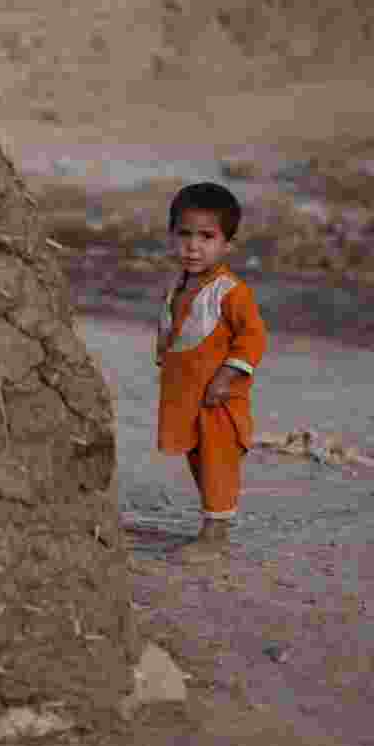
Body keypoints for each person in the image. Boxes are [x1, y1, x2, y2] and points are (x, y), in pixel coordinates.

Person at [155, 182, 267, 561]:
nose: (193, 246)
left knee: (218, 461)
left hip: (217, 398)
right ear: (171, 236)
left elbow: (252, 339)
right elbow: (174, 326)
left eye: (207, 236)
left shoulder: (230, 291)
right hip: (188, 396)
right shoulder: (181, 284)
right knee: (198, 460)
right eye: (184, 235)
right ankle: (211, 522)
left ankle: (214, 536)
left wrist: (225, 379)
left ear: (227, 245)